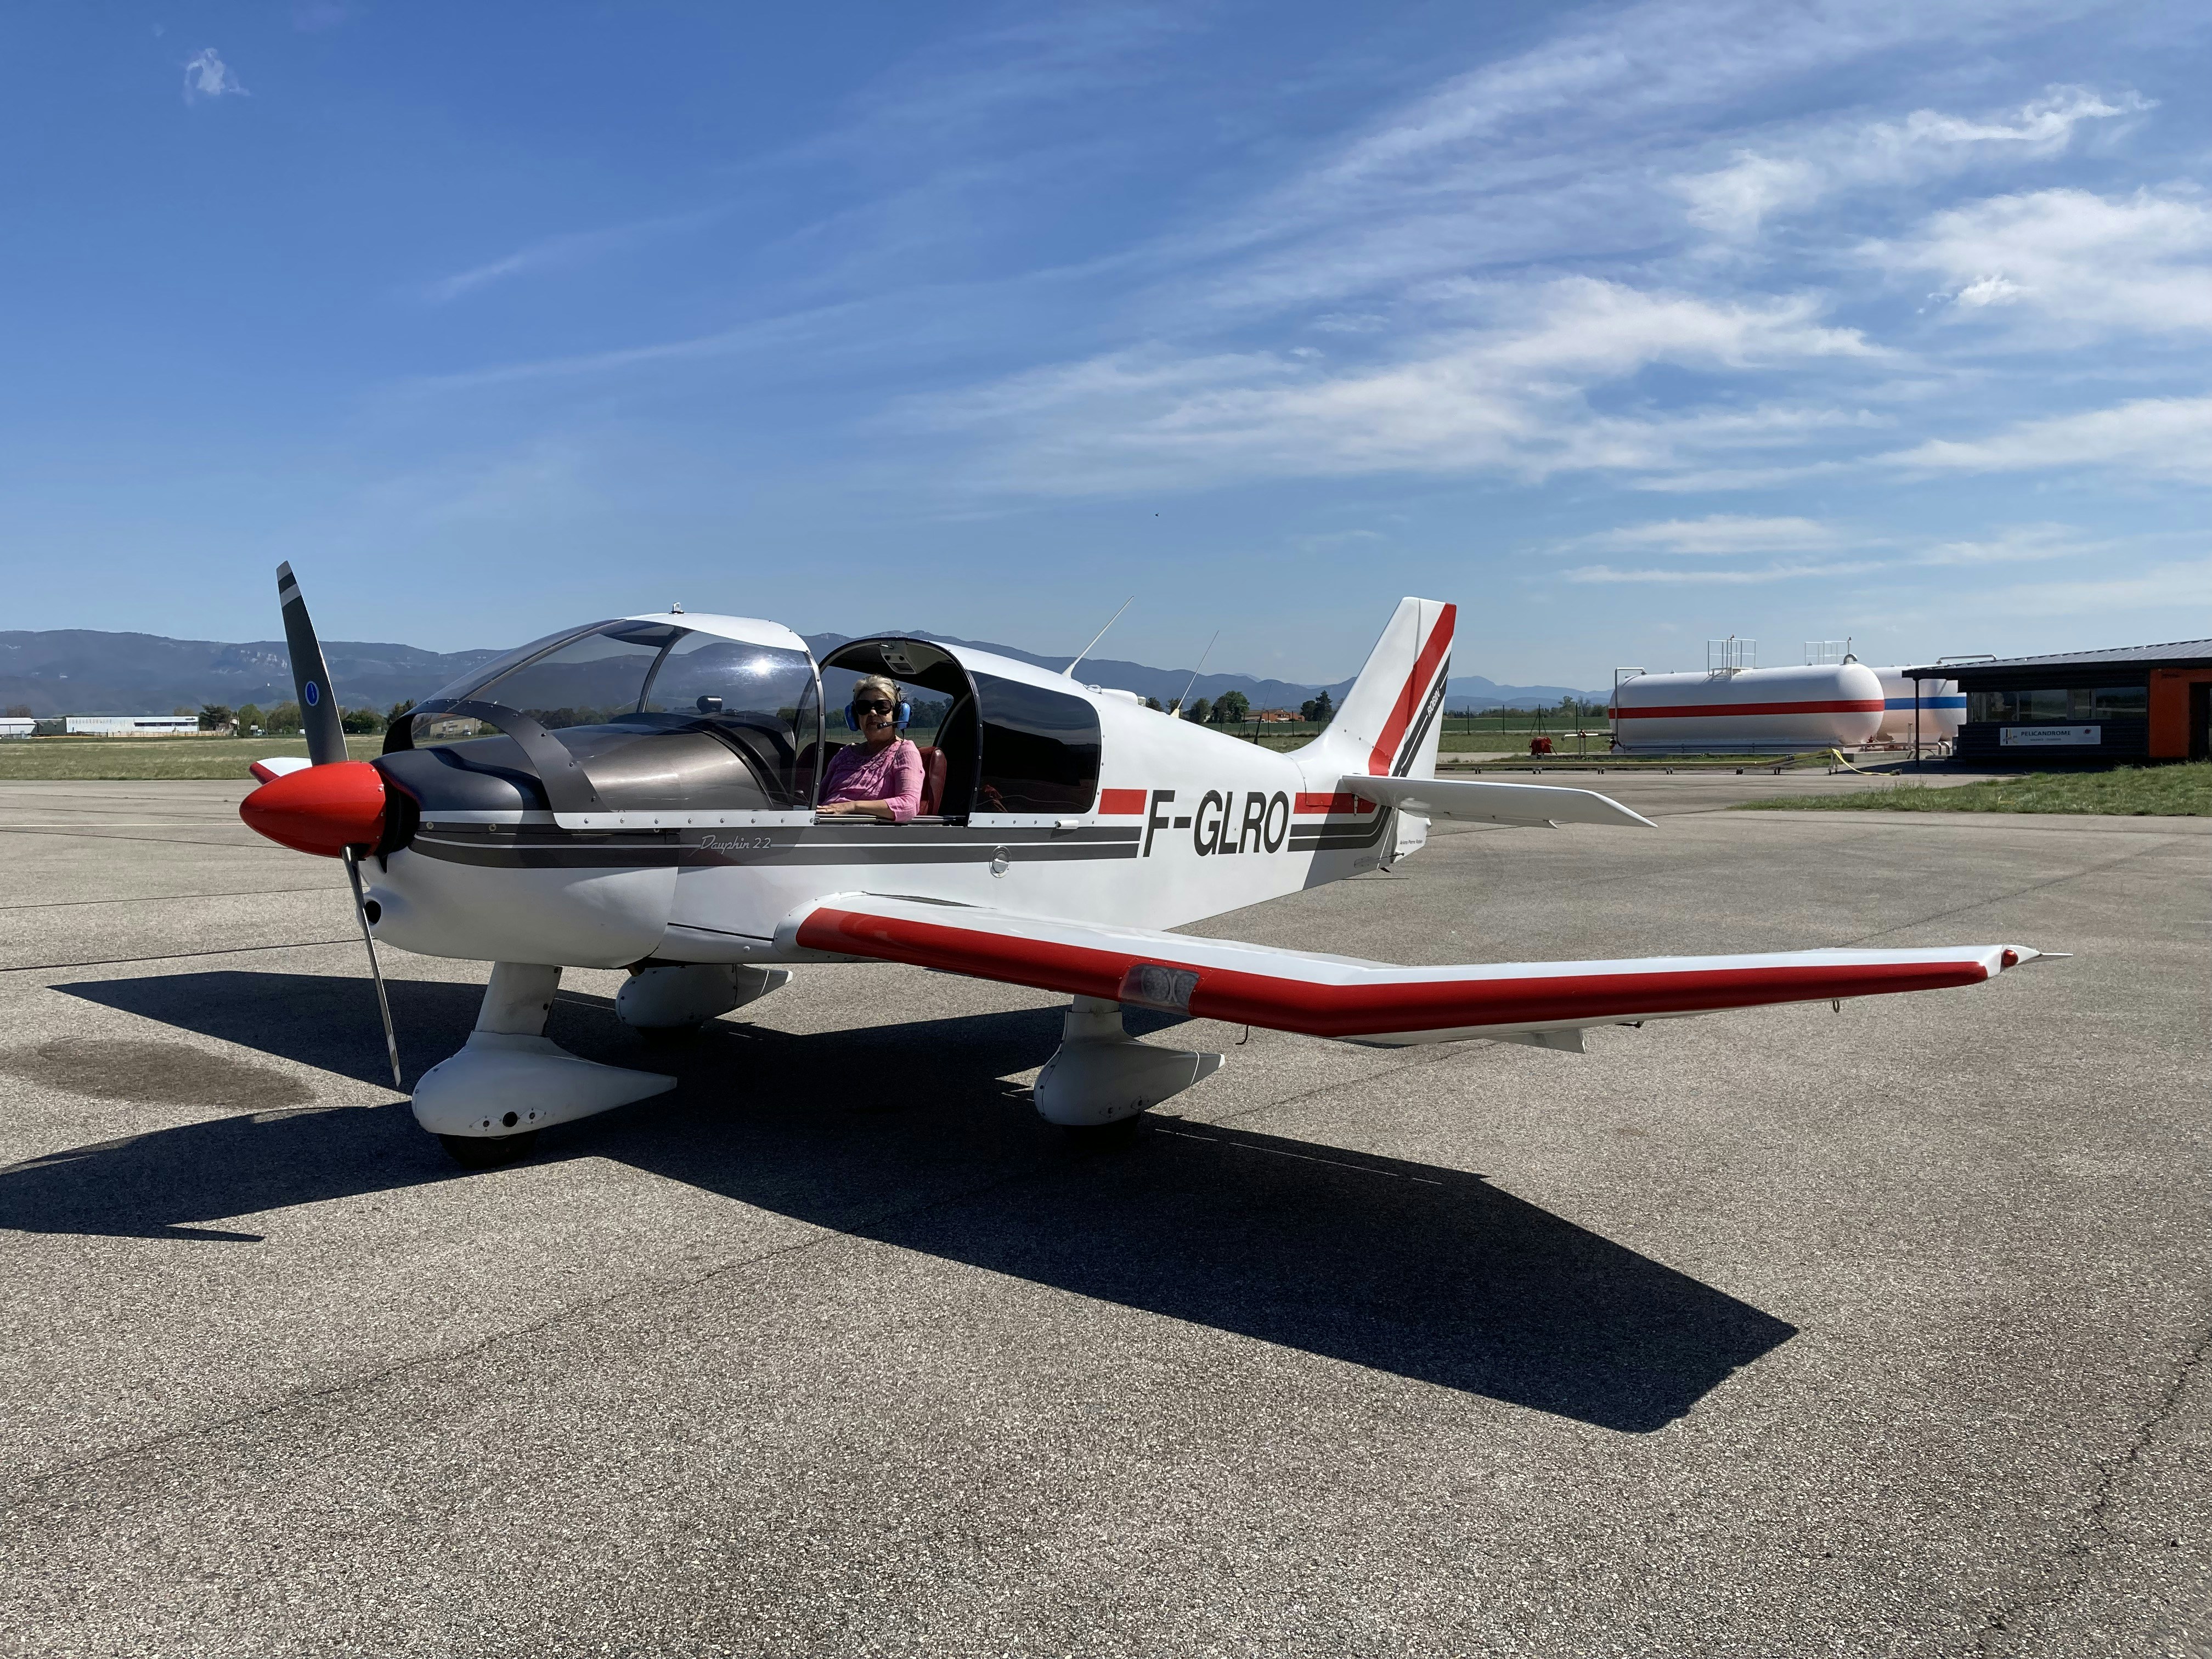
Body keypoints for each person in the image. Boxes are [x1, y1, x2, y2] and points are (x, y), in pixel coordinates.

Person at [817, 674, 923, 821]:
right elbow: (819, 799)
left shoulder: (905, 751)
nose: (872, 713)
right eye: (863, 707)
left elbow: (908, 806)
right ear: (855, 716)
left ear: (898, 713)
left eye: (882, 707)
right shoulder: (845, 754)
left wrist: (852, 807)